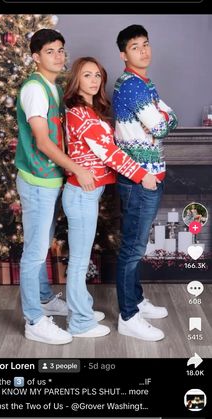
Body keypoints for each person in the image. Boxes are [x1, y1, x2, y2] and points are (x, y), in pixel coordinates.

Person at [15, 29, 96, 345]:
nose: (59, 56)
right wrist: (77, 168)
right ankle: (34, 319)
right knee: (34, 252)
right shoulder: (35, 89)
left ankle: (46, 298)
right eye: (51, 51)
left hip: (48, 180)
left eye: (61, 50)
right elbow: (43, 142)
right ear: (36, 57)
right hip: (38, 182)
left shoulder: (52, 86)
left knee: (42, 242)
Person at [63, 57, 148, 338]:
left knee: (81, 258)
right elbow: (109, 153)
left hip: (87, 194)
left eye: (97, 75)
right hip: (80, 195)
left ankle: (83, 308)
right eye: (87, 75)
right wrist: (141, 175)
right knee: (78, 262)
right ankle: (79, 323)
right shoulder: (78, 112)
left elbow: (108, 147)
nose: (94, 80)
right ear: (77, 80)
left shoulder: (91, 111)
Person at [112, 24, 178, 341]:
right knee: (132, 249)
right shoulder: (132, 87)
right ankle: (128, 316)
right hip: (141, 179)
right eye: (135, 46)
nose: (143, 50)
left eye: (146, 44)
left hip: (151, 176)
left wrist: (162, 117)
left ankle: (136, 301)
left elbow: (168, 118)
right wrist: (161, 118)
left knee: (136, 247)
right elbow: (163, 125)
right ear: (124, 54)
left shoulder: (144, 83)